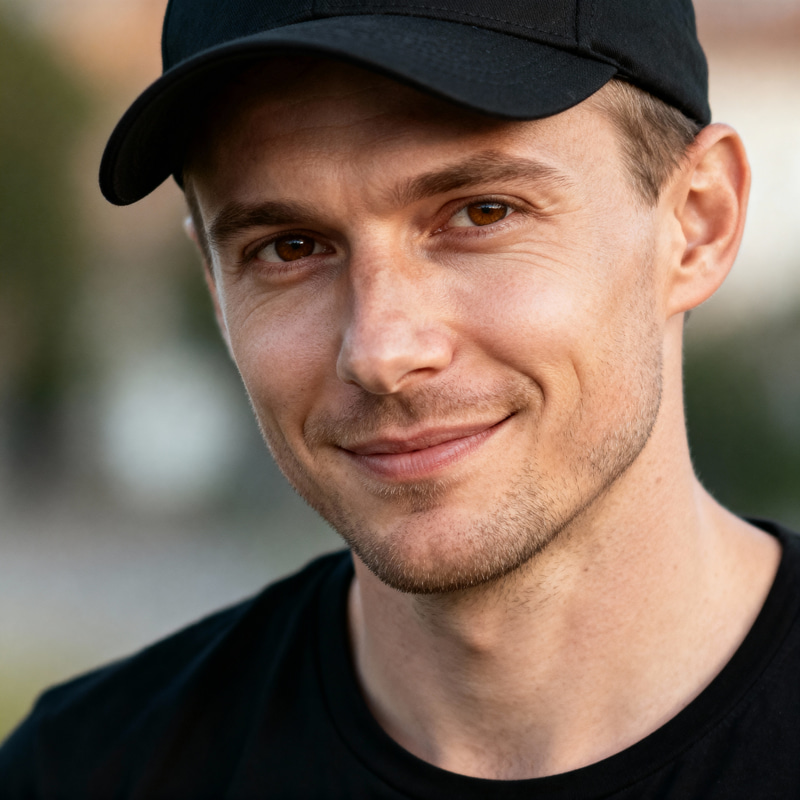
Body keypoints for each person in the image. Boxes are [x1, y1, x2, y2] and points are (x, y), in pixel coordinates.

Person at [2, 0, 799, 796]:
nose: (381, 350)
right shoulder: (80, 774)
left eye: (481, 213)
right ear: (215, 285)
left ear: (698, 222)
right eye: (289, 248)